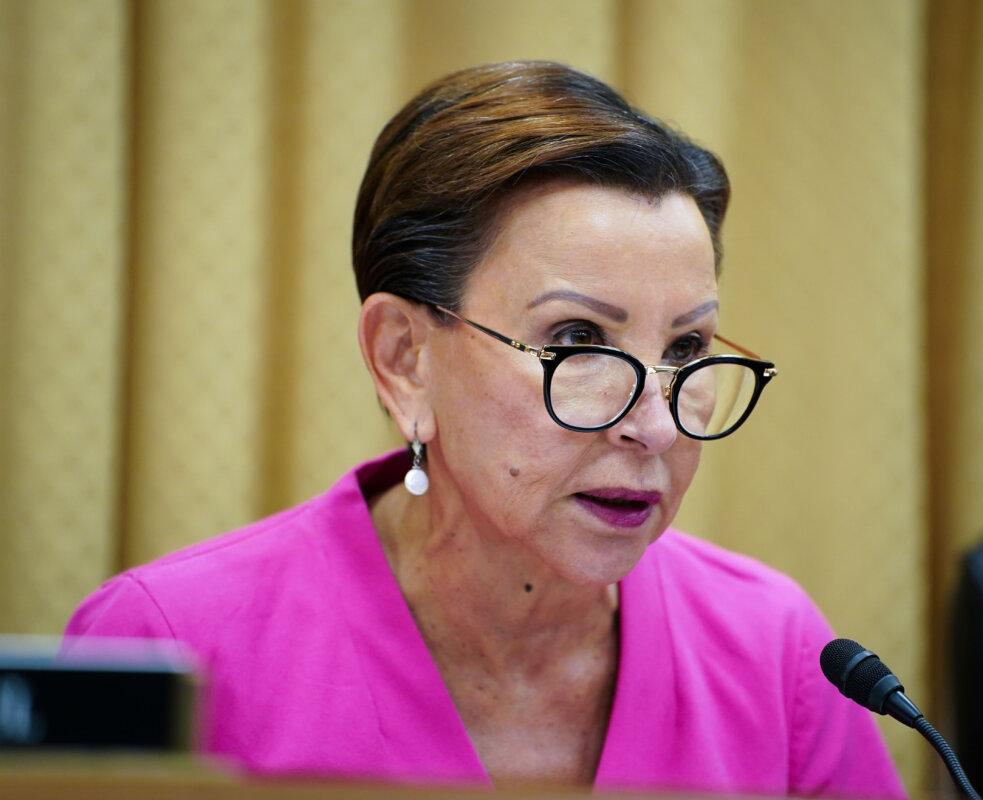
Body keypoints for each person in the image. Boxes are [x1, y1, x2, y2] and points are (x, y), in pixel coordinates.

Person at [65, 61, 905, 798]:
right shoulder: (164, 649)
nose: (653, 426)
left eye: (686, 347)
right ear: (403, 358)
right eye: (577, 341)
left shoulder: (779, 650)